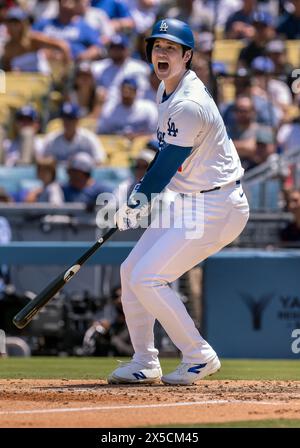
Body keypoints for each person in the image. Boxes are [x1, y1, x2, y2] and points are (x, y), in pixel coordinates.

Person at [108, 18, 249, 386]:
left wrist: (138, 202)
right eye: (158, 46)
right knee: (130, 272)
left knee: (148, 278)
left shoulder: (188, 103)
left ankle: (198, 355)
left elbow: (167, 165)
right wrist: (139, 196)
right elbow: (164, 157)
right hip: (191, 199)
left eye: (171, 47)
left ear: (187, 55)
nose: (162, 53)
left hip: (218, 204)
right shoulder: (165, 89)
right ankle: (144, 361)